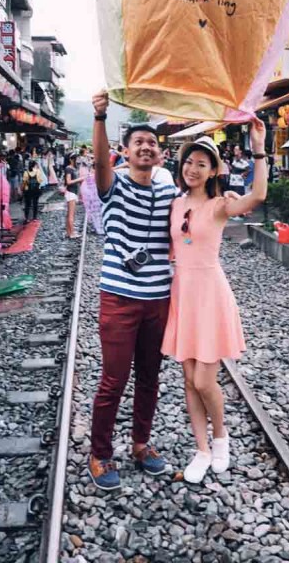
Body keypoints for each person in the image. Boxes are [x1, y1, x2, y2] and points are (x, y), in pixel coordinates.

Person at [161, 123, 267, 483]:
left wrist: (259, 150)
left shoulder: (219, 205)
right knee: (189, 379)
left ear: (213, 171)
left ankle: (221, 438)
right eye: (189, 162)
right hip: (183, 293)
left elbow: (257, 198)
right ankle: (201, 449)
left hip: (209, 293)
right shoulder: (174, 204)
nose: (193, 168)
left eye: (202, 164)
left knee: (206, 379)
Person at [88, 90, 179, 491]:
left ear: (159, 155)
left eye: (152, 143)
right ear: (124, 152)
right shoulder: (114, 186)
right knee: (113, 379)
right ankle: (100, 453)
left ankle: (141, 444)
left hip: (158, 298)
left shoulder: (168, 192)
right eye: (138, 142)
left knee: (150, 376)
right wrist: (100, 118)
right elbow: (97, 164)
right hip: (120, 297)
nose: (146, 147)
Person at [64, 153, 85, 239]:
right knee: (71, 215)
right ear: (71, 159)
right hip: (71, 193)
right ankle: (72, 233)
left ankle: (68, 232)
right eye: (76, 159)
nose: (78, 160)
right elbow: (68, 182)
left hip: (73, 193)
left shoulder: (73, 168)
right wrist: (80, 179)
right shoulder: (69, 168)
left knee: (69, 214)